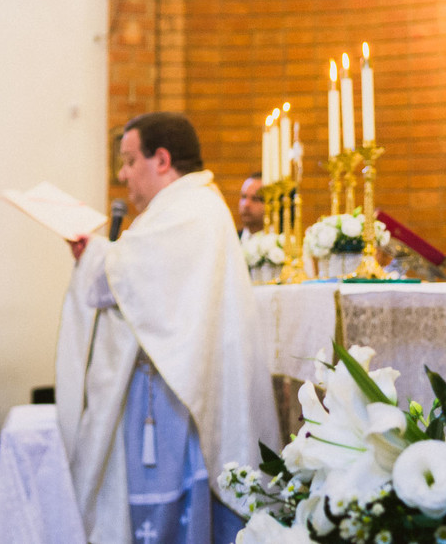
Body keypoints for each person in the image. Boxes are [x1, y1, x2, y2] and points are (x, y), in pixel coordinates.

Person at [56, 112, 280, 543]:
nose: (122, 176)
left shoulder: (190, 209)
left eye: (127, 161)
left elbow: (125, 278)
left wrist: (95, 256)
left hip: (171, 403)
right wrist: (99, 255)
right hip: (166, 393)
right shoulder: (184, 207)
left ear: (161, 159)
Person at [237, 172, 264, 240]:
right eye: (243, 197)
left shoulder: (280, 242)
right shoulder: (233, 240)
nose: (246, 204)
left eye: (255, 199)